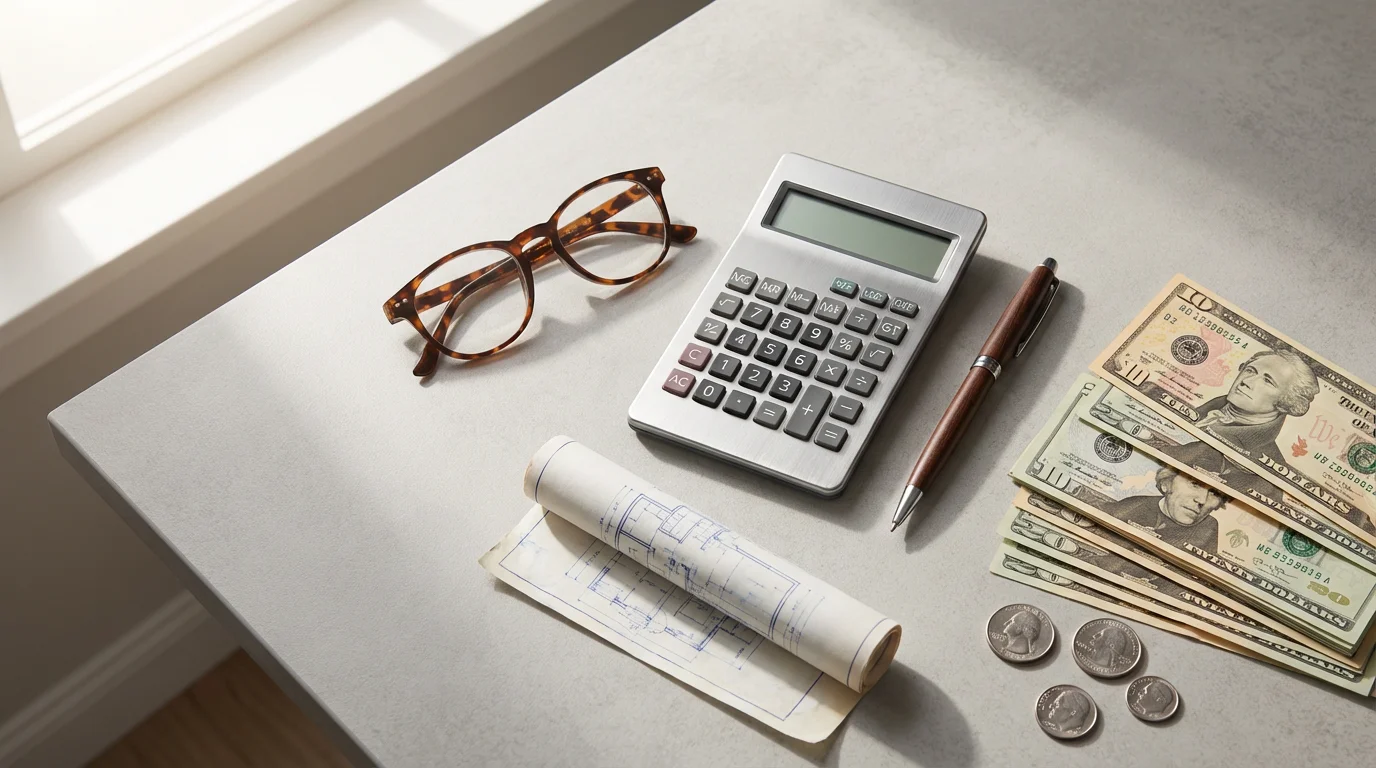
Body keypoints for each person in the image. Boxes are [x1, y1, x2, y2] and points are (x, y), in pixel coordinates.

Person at [1191, 349, 1319, 463]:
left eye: (1268, 381)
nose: (1246, 381)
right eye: (1250, 371)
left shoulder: (1266, 462)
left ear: (1287, 402)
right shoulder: (1200, 410)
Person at [1103, 467, 1223, 555]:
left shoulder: (1209, 526)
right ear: (1166, 484)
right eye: (1195, 484)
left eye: (1214, 493)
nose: (1202, 500)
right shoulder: (1133, 506)